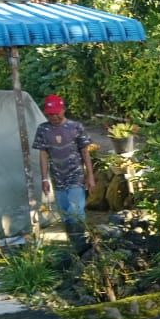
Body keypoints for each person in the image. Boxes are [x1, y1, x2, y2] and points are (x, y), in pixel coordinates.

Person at [33, 94, 95, 251]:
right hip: (57, 177)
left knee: (75, 210)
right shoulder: (43, 129)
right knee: (66, 214)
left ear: (63, 109)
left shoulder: (76, 127)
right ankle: (75, 248)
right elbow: (43, 154)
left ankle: (81, 247)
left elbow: (85, 151)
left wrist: (90, 175)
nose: (54, 116)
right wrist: (44, 179)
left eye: (57, 112)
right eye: (50, 114)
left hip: (76, 175)